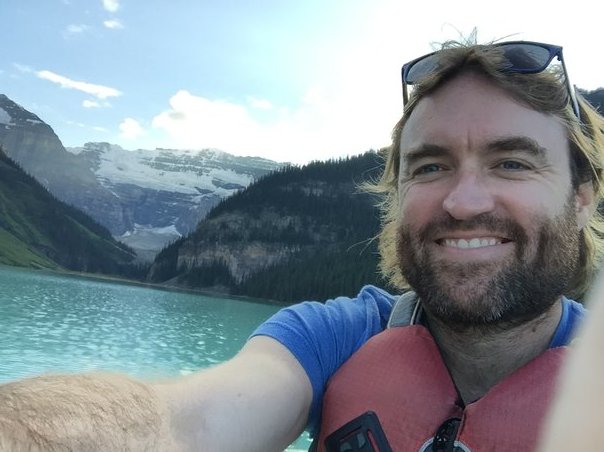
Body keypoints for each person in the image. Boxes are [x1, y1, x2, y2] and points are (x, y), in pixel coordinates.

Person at [2, 37, 604, 451]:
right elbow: (183, 425)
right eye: (429, 167)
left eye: (512, 163)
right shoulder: (328, 339)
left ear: (582, 197)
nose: (464, 201)